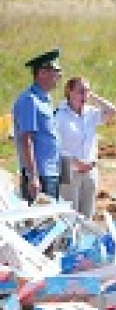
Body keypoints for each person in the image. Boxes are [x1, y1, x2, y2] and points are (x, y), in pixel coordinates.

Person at [55, 77, 116, 218]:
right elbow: (55, 147)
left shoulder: (91, 113)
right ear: (69, 92)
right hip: (68, 168)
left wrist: (93, 97)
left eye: (87, 91)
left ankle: (84, 239)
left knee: (87, 214)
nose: (84, 95)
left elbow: (112, 111)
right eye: (80, 91)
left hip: (89, 168)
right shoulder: (59, 115)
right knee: (70, 214)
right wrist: (76, 162)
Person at [12, 48, 63, 202]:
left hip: (51, 171)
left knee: (52, 219)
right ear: (42, 73)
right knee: (41, 222)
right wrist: (33, 176)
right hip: (40, 174)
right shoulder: (30, 100)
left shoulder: (45, 99)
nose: (59, 75)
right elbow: (26, 139)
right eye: (55, 71)